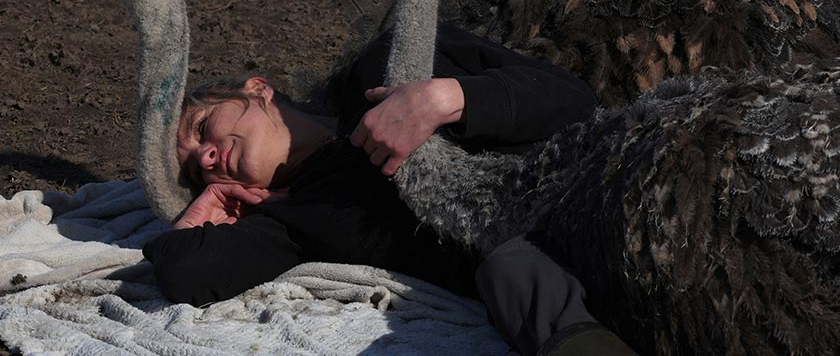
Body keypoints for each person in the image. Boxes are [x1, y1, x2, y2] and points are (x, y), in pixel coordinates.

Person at [143, 23, 636, 356]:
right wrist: (201, 209)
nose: (207, 156)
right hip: (540, 255)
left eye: (204, 126)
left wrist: (446, 99)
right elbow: (186, 273)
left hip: (605, 179)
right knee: (510, 271)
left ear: (257, 88)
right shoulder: (299, 216)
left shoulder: (386, 66)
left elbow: (571, 99)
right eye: (196, 169)